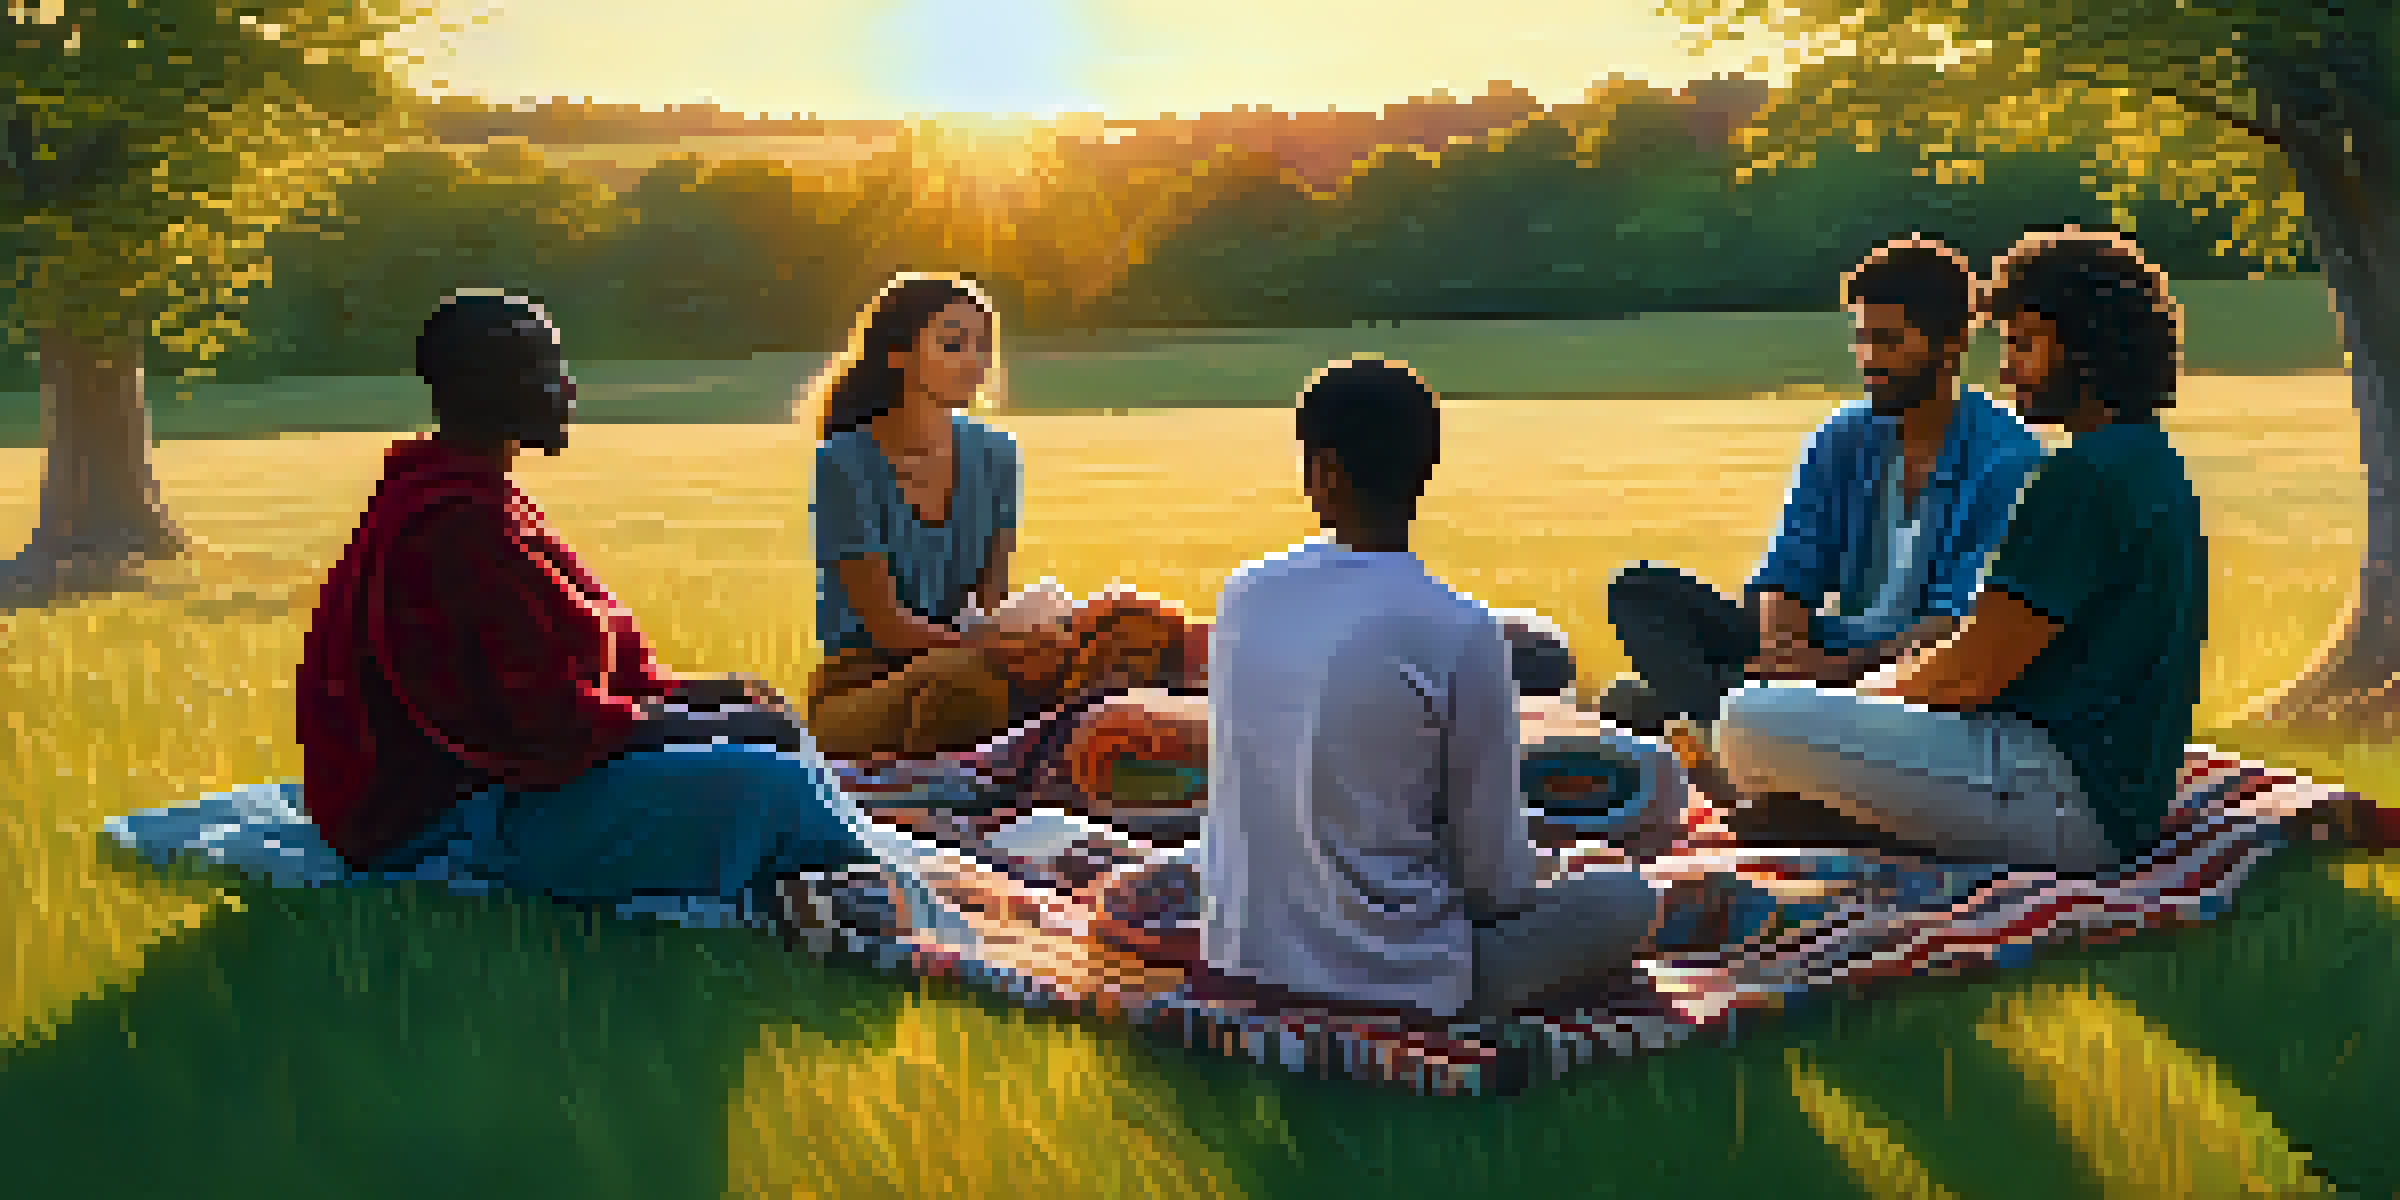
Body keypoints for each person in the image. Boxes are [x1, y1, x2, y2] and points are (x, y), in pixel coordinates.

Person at [296, 290, 886, 919]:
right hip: (450, 821)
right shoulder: (449, 527)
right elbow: (536, 728)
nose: (566, 388)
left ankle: (857, 860)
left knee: (762, 724)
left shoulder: (476, 498)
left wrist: (702, 699)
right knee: (766, 781)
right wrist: (695, 725)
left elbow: (575, 687)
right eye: (543, 371)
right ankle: (882, 889)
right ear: (480, 386)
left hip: (511, 784)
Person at [1698, 228, 2205, 872]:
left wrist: (1847, 699)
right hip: (2095, 787)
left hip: (2064, 796)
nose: (2006, 368)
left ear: (2085, 350)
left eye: (2024, 345)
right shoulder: (2147, 459)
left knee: (1747, 721)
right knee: (1766, 708)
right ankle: (1812, 814)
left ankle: (1809, 810)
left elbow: (1970, 671)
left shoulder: (2083, 478)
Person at [1200, 357, 1670, 1024]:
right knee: (1628, 902)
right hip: (1400, 983)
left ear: (1324, 473)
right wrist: (1561, 869)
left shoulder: (1243, 595)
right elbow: (1493, 885)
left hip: (1240, 957)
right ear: (1427, 468)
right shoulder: (1459, 628)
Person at [1592, 236, 2045, 737]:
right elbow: (1788, 572)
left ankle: (1715, 723)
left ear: (1952, 341)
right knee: (1639, 592)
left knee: (1625, 703)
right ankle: (1736, 727)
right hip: (1818, 650)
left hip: (1909, 678)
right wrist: (1782, 652)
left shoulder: (2006, 460)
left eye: (1891, 341)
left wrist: (1835, 672)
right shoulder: (1841, 438)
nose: (1871, 359)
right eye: (1863, 339)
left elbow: (1960, 625)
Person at [803, 273, 1198, 762]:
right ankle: (944, 805)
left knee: (1134, 632)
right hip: (864, 687)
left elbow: (991, 606)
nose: (974, 361)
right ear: (897, 355)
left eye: (982, 346)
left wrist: (1055, 638)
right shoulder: (843, 463)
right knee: (969, 686)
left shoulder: (996, 454)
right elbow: (886, 626)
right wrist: (995, 650)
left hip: (973, 658)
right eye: (953, 344)